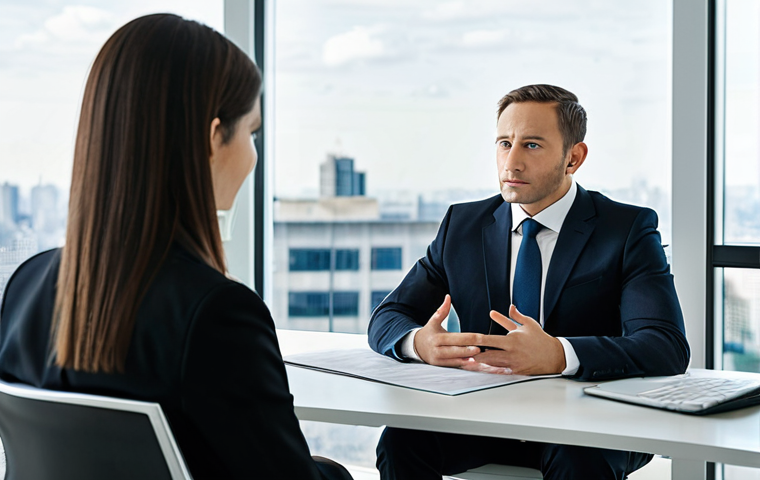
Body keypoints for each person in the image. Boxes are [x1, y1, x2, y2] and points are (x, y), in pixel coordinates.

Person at [0, 14, 352, 480]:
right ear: (212, 140)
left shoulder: (26, 289)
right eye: (252, 132)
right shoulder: (216, 316)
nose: (252, 155)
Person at [367, 84, 690, 479]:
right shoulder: (463, 225)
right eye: (505, 143)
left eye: (532, 146)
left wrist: (557, 355)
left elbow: (664, 346)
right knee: (400, 439)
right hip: (482, 412)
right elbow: (390, 315)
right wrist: (420, 343)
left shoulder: (626, 229)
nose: (511, 162)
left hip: (590, 422)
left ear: (574, 157)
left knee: (578, 458)